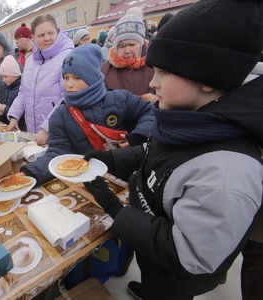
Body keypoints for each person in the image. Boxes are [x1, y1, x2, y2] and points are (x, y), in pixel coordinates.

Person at [83, 0, 263, 299]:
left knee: (167, 291)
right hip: (152, 245)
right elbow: (155, 154)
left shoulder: (226, 173)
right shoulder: (188, 118)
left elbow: (189, 253)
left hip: (178, 273)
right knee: (155, 280)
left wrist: (117, 212)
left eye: (164, 72)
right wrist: (110, 159)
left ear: (207, 76)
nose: (153, 82)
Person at [21, 44, 153, 187]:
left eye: (76, 78)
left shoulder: (119, 99)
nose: (68, 84)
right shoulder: (60, 115)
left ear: (92, 77)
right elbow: (58, 152)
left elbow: (149, 112)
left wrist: (139, 134)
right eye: (65, 77)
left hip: (126, 174)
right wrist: (32, 172)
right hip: (88, 179)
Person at [7, 14, 74, 146]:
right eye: (41, 35)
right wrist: (14, 116)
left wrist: (47, 128)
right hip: (34, 133)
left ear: (58, 32)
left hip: (58, 133)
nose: (47, 38)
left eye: (51, 33)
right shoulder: (31, 60)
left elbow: (67, 98)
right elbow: (23, 92)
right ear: (33, 37)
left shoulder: (68, 57)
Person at [101, 14, 156, 103]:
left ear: (141, 44)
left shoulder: (155, 67)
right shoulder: (104, 71)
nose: (127, 51)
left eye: (132, 45)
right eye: (122, 46)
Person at [0, 55, 26, 131]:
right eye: (2, 77)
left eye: (6, 77)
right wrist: (2, 111)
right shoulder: (5, 87)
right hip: (8, 123)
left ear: (14, 75)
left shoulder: (20, 89)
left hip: (19, 126)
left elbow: (22, 112)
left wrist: (5, 109)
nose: (3, 80)